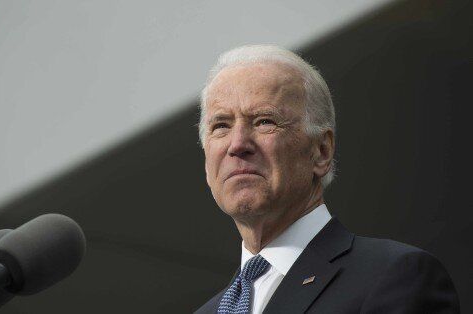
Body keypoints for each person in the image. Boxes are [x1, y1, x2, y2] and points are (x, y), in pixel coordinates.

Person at [194, 45, 459, 314]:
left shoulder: (395, 276)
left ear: (321, 151)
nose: (237, 144)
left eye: (264, 121)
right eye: (221, 126)